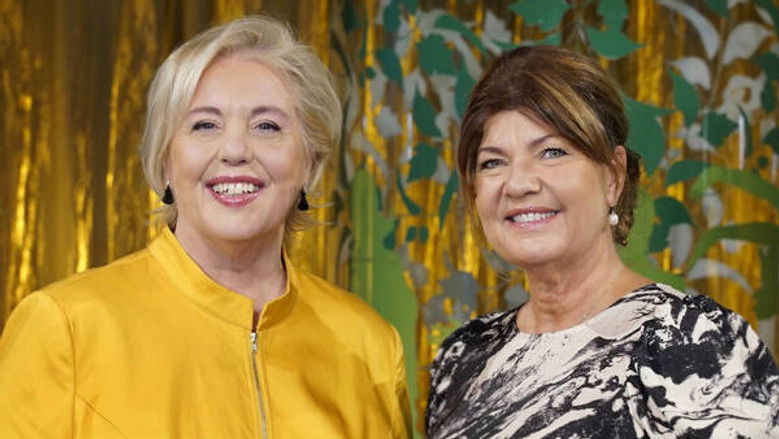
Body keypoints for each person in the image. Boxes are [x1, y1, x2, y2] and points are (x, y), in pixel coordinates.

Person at [0, 16, 411, 438]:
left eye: (267, 126)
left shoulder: (371, 345)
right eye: (205, 124)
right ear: (165, 160)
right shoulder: (66, 327)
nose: (234, 149)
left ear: (309, 163)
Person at [425, 46, 779, 438]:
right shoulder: (462, 358)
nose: (519, 183)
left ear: (612, 177)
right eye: (493, 162)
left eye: (552, 152)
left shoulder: (695, 344)